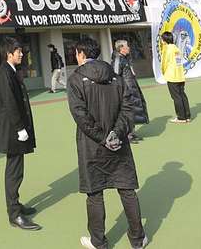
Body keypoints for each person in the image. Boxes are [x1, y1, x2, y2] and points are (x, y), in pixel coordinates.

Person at [68, 39, 147, 249]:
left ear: (81, 54)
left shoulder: (76, 79)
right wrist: (116, 134)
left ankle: (98, 242)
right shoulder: (116, 77)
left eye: (76, 53)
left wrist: (103, 138)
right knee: (127, 190)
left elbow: (80, 116)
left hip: (92, 145)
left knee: (95, 194)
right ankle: (138, 240)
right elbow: (127, 109)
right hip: (118, 143)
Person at [0, 37, 40, 231]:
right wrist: (20, 128)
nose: (21, 54)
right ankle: (14, 214)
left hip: (16, 129)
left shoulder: (12, 71)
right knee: (14, 172)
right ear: (8, 54)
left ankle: (16, 204)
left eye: (21, 50)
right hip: (13, 131)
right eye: (18, 51)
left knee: (17, 169)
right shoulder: (5, 73)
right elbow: (10, 104)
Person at [111, 40, 149, 141]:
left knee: (135, 111)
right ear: (121, 48)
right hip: (125, 91)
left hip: (132, 88)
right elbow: (115, 75)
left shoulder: (126, 58)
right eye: (127, 46)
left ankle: (132, 133)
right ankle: (127, 134)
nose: (129, 48)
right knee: (127, 112)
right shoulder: (118, 59)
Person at [161, 31, 191, 123]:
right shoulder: (176, 48)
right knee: (182, 95)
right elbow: (179, 61)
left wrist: (163, 72)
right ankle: (187, 116)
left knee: (176, 97)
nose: (162, 41)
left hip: (171, 76)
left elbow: (164, 63)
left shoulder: (166, 49)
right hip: (180, 75)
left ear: (165, 40)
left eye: (162, 39)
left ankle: (181, 117)